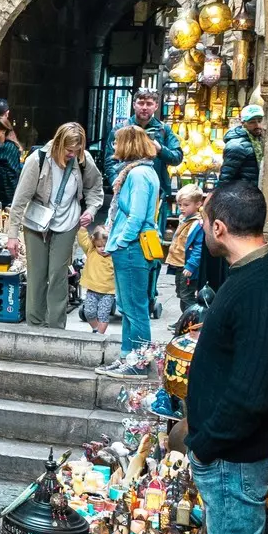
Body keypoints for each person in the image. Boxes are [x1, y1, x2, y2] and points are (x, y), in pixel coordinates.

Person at [183, 182, 268, 534]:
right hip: (229, 454)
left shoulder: (263, 288)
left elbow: (252, 392)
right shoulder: (254, 275)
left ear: (218, 228)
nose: (201, 228)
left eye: (202, 219)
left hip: (233, 458)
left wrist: (205, 445)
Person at [5, 122, 104, 329]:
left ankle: (57, 327)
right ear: (59, 144)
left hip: (67, 222)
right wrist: (12, 234)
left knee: (58, 275)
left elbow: (95, 188)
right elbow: (20, 199)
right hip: (36, 223)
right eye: (69, 151)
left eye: (76, 151)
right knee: (37, 275)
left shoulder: (84, 161)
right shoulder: (38, 160)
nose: (72, 155)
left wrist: (91, 210)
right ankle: (35, 324)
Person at [98, 125, 165, 364]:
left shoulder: (137, 175)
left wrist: (120, 241)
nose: (114, 146)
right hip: (132, 247)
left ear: (128, 144)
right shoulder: (143, 172)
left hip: (132, 248)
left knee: (134, 308)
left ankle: (138, 361)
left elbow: (136, 217)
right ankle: (128, 356)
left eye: (117, 142)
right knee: (129, 306)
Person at [107, 89, 183, 198]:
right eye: (141, 103)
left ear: (156, 106)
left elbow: (177, 157)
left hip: (157, 191)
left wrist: (161, 150)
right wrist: (117, 183)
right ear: (134, 105)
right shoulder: (121, 129)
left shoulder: (163, 129)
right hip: (127, 189)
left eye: (149, 104)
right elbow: (110, 161)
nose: (144, 107)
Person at [165, 183, 206, 326]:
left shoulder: (198, 224)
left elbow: (198, 248)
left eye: (186, 205)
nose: (181, 208)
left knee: (187, 296)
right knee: (182, 295)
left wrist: (191, 265)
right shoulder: (185, 220)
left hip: (186, 267)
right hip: (178, 264)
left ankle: (194, 322)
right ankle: (185, 320)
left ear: (198, 204)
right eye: (180, 204)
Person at [76, 220, 116, 333]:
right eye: (99, 246)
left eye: (105, 246)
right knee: (89, 312)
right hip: (92, 290)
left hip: (108, 292)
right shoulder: (91, 251)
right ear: (94, 244)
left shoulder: (114, 256)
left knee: (103, 315)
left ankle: (99, 335)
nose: (102, 249)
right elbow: (83, 240)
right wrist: (83, 228)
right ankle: (95, 329)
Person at [217, 104, 265, 189]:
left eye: (260, 121)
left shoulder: (258, 141)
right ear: (243, 123)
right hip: (242, 194)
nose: (257, 125)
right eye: (252, 122)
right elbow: (226, 178)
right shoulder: (236, 146)